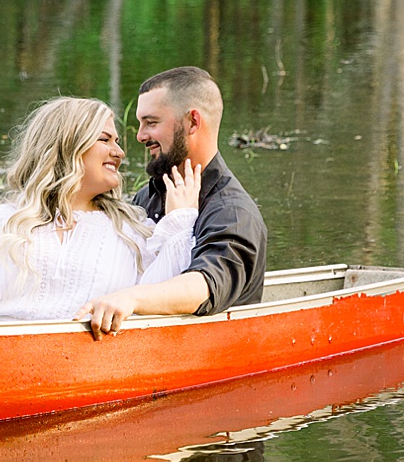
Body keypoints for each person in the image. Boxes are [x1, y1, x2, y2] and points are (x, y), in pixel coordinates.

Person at [0, 96, 202, 326]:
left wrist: (180, 220)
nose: (119, 152)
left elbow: (163, 303)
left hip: (95, 369)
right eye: (105, 139)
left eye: (116, 142)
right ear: (67, 145)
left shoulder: (132, 228)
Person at [79, 66, 267, 337]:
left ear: (192, 122)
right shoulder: (148, 195)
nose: (140, 136)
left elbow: (206, 285)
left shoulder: (233, 211)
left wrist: (131, 298)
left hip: (208, 354)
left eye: (151, 122)